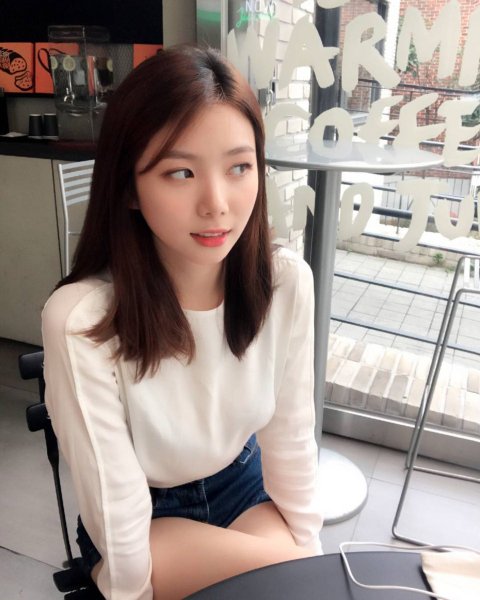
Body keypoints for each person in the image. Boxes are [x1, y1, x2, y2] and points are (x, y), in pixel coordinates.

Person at [42, 45, 323, 600]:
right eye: (180, 172)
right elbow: (115, 505)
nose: (216, 204)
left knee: (300, 583)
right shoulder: (83, 321)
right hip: (149, 518)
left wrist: (308, 553)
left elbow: (291, 438)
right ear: (128, 186)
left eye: (239, 167)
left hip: (244, 486)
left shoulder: (285, 282)